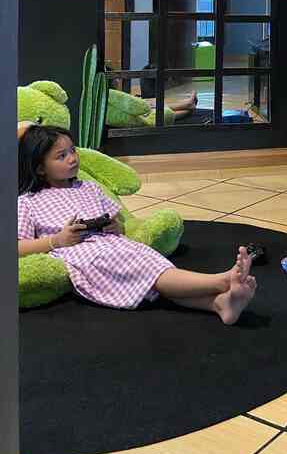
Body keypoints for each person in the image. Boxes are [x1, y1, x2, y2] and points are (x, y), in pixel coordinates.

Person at [17, 124, 256, 323]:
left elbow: (118, 220)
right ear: (39, 168)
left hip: (114, 244)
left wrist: (115, 227)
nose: (73, 158)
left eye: (73, 150)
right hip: (83, 255)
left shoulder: (90, 188)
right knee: (145, 269)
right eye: (62, 156)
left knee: (149, 263)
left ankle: (219, 304)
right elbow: (17, 247)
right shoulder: (27, 202)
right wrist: (56, 240)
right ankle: (220, 281)